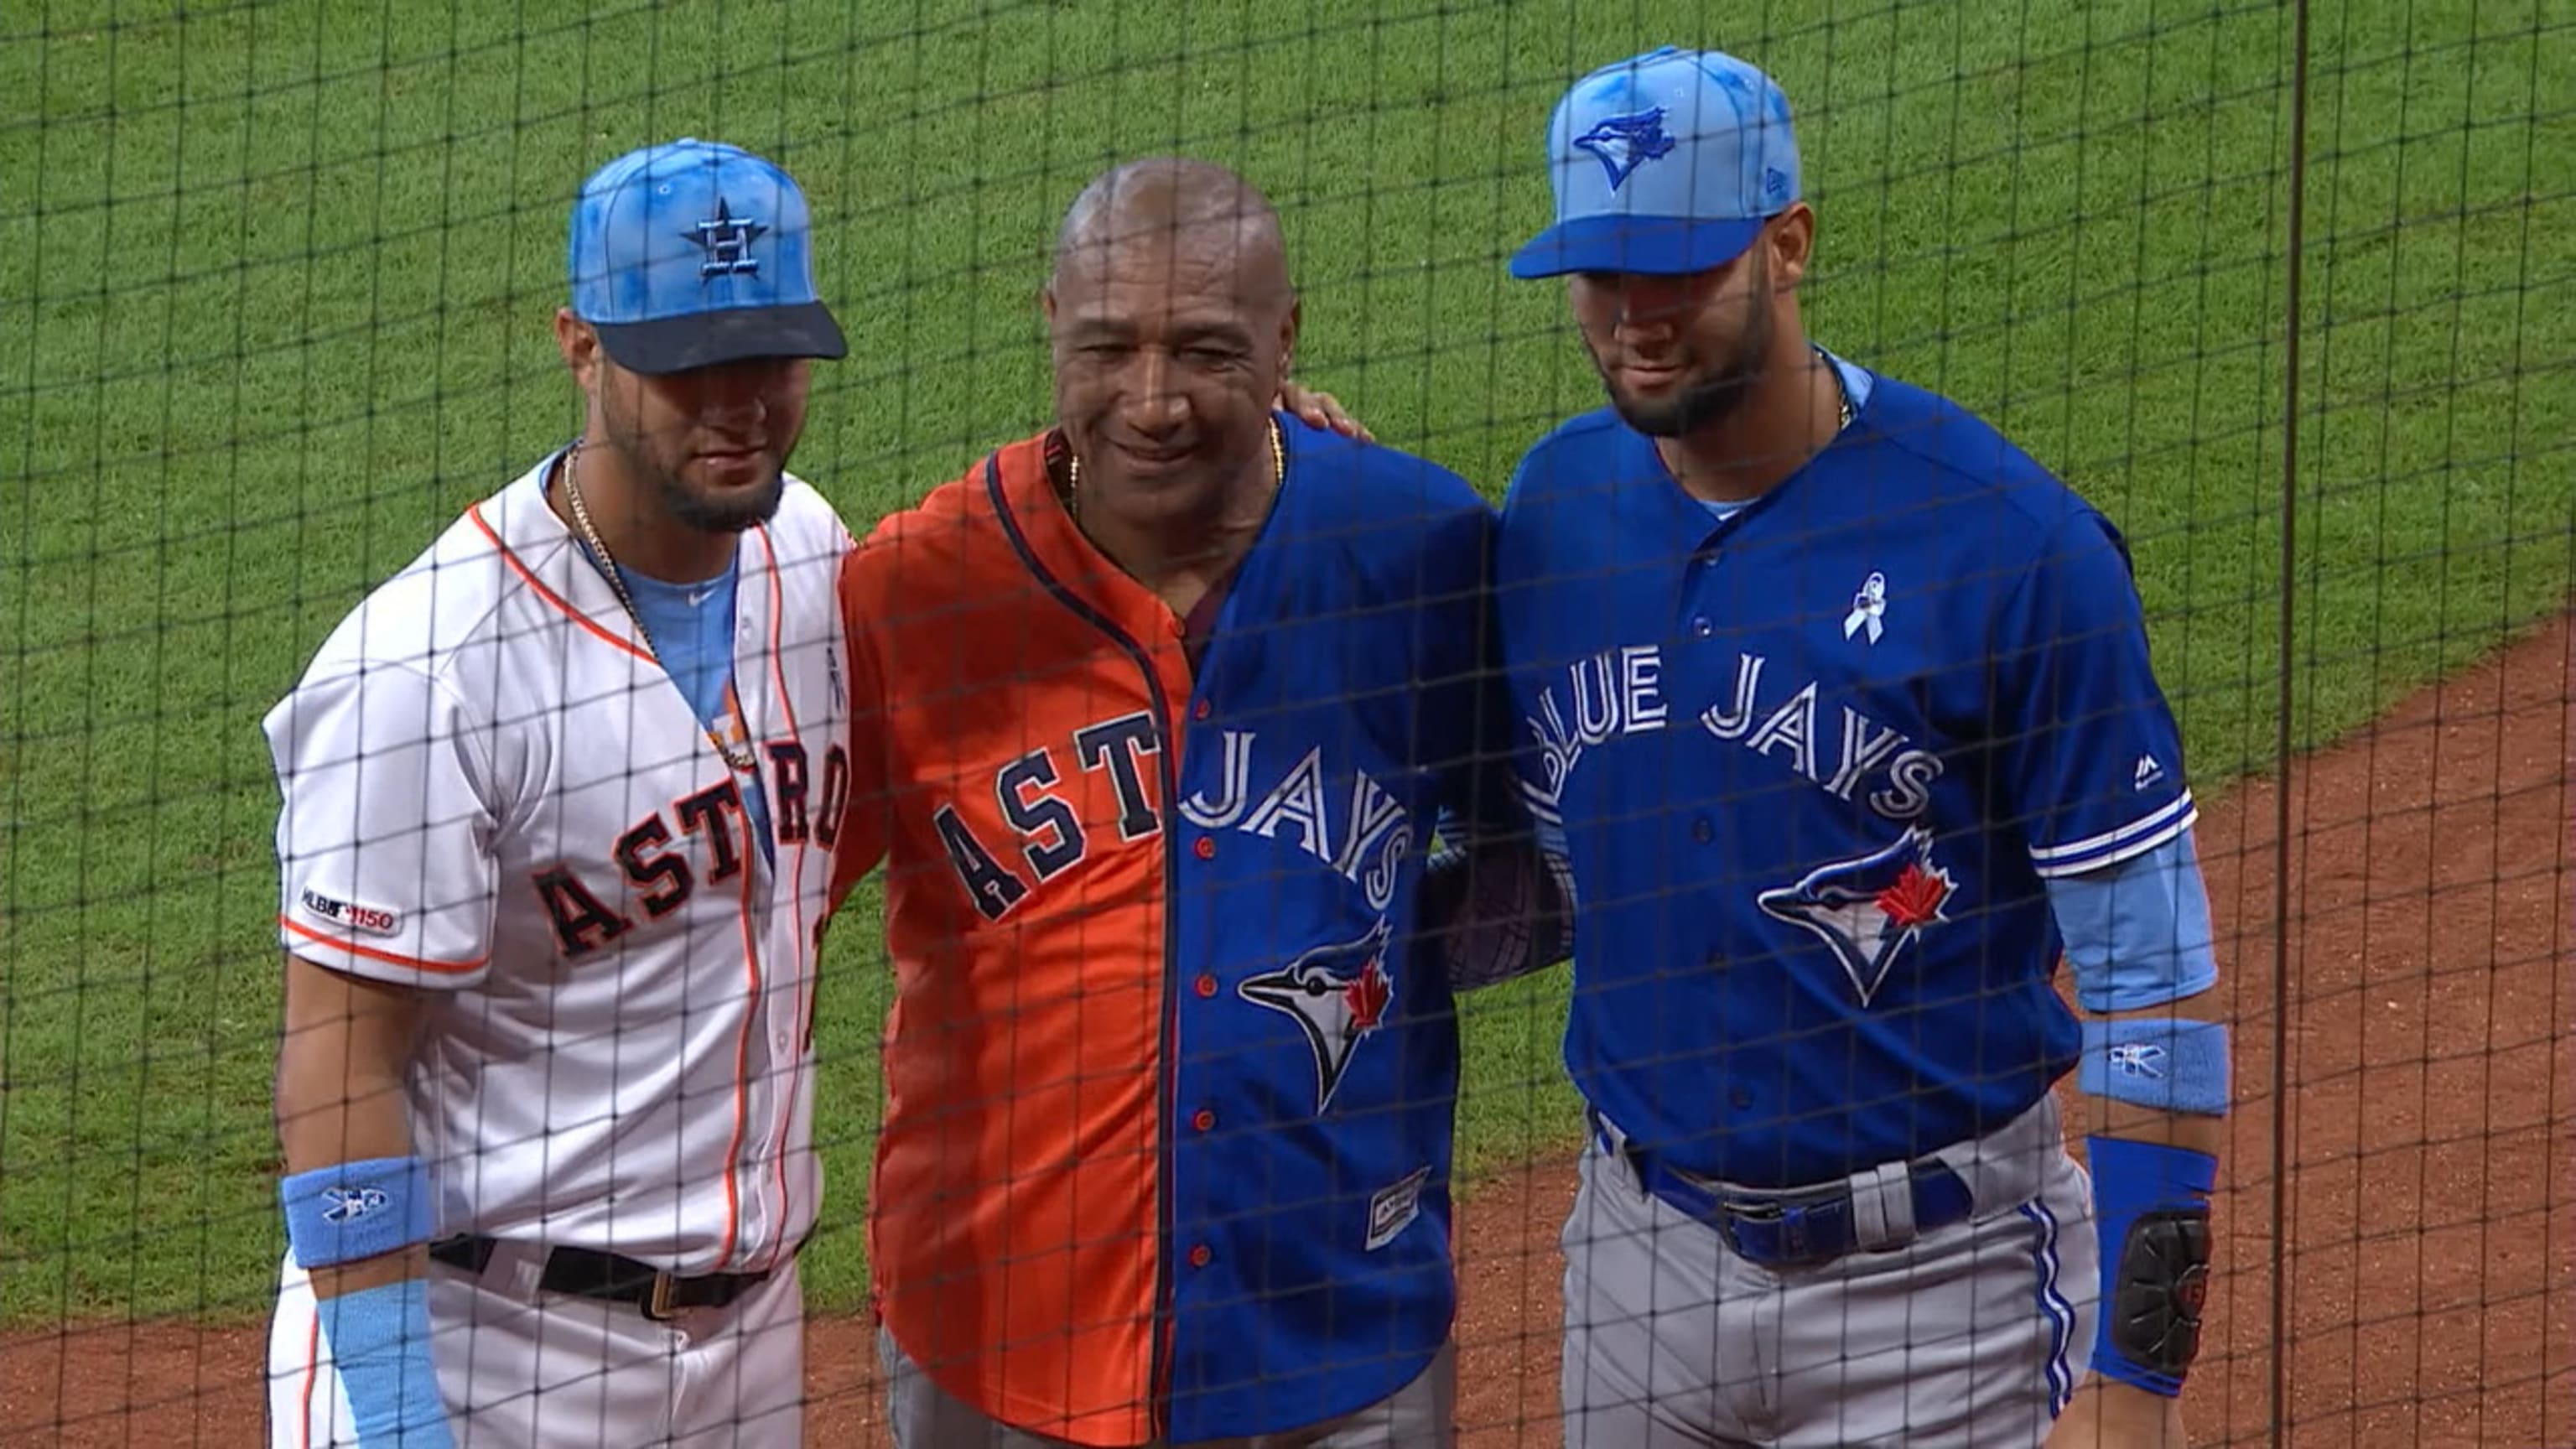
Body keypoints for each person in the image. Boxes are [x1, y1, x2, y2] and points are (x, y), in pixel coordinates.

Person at [1493, 46, 2230, 1448]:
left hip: (1942, 1303)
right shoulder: (1553, 511)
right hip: (1640, 1273)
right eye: (1602, 277)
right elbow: (1545, 862)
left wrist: (2136, 1388)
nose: (1636, 319)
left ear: (1789, 245)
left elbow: (2157, 993)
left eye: (1683, 273)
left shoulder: (2012, 547)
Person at [825, 155, 1547, 1448]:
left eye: (1208, 352)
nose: (1150, 403)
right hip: (995, 1342)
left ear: (1287, 341)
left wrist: (1380, 958)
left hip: (1340, 1326)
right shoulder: (911, 591)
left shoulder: (1417, 551)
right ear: (1050, 320)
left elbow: (1558, 856)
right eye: (1108, 347)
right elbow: (764, 917)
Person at [262, 137, 854, 1448]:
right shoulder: (430, 666)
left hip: (749, 1348)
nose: (738, 402)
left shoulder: (812, 554)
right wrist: (396, 1407)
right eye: (687, 364)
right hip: (482, 1346)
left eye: (767, 355)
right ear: (582, 346)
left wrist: (1280, 471)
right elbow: (340, 1055)